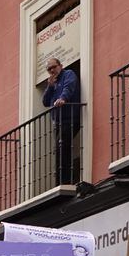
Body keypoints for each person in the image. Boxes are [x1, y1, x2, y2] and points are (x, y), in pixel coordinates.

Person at [42, 57, 81, 186]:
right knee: (60, 150)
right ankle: (61, 181)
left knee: (62, 147)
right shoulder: (53, 83)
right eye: (49, 69)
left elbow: (68, 87)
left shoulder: (68, 74)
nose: (52, 70)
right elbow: (45, 102)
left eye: (54, 67)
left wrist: (63, 98)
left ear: (61, 65)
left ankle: (64, 182)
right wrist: (50, 87)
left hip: (70, 118)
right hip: (58, 123)